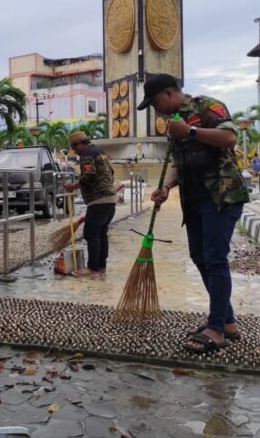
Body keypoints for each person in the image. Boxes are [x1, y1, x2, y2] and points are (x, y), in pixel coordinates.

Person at [137, 73, 249, 354]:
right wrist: (165, 186)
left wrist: (189, 131)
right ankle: (227, 321)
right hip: (194, 200)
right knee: (199, 257)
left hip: (221, 196)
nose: (155, 109)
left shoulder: (207, 107)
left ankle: (216, 329)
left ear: (169, 93)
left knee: (215, 259)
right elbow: (178, 164)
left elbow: (229, 137)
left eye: (154, 102)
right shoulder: (173, 125)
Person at [63, 131, 122, 277]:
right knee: (101, 233)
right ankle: (101, 266)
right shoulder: (100, 152)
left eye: (74, 148)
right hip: (110, 198)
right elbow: (111, 172)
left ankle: (92, 269)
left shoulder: (87, 154)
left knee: (91, 234)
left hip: (99, 199)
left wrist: (72, 186)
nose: (75, 152)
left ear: (80, 144)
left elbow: (88, 176)